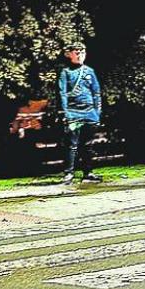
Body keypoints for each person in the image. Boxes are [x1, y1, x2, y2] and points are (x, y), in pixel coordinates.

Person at [58, 42, 102, 185]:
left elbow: (96, 92)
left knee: (88, 144)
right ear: (69, 54)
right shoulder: (65, 73)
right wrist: (66, 113)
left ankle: (88, 172)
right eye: (76, 53)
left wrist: (97, 112)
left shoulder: (89, 71)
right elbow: (62, 93)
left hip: (89, 112)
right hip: (73, 113)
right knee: (72, 144)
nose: (80, 55)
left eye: (82, 53)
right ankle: (69, 173)